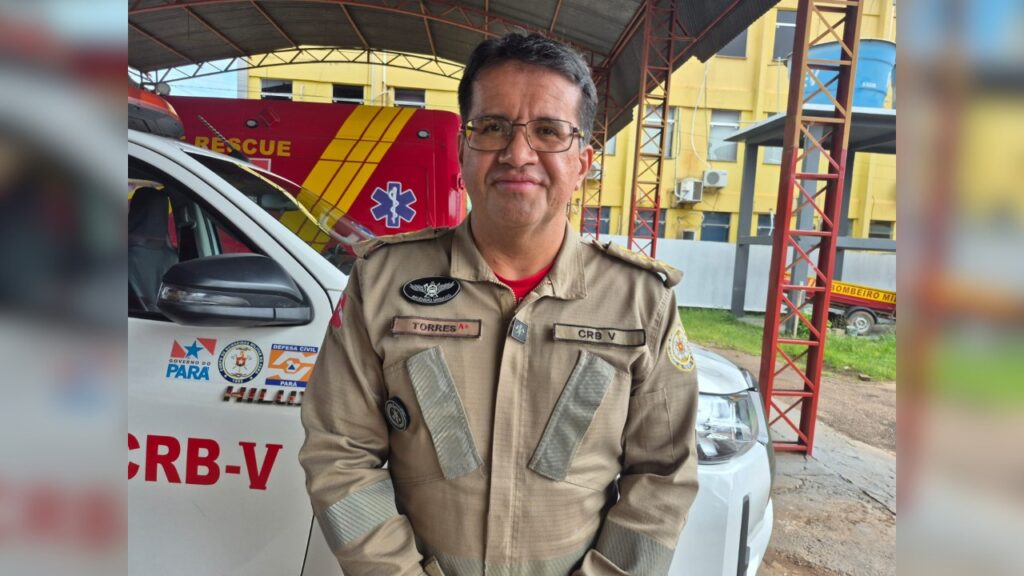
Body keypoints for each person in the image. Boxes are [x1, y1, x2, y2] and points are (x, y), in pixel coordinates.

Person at [300, 32, 699, 576]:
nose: (518, 154)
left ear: (582, 162)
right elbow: (340, 451)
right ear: (463, 149)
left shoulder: (640, 300)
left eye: (548, 131)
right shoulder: (383, 282)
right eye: (492, 127)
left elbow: (664, 473)